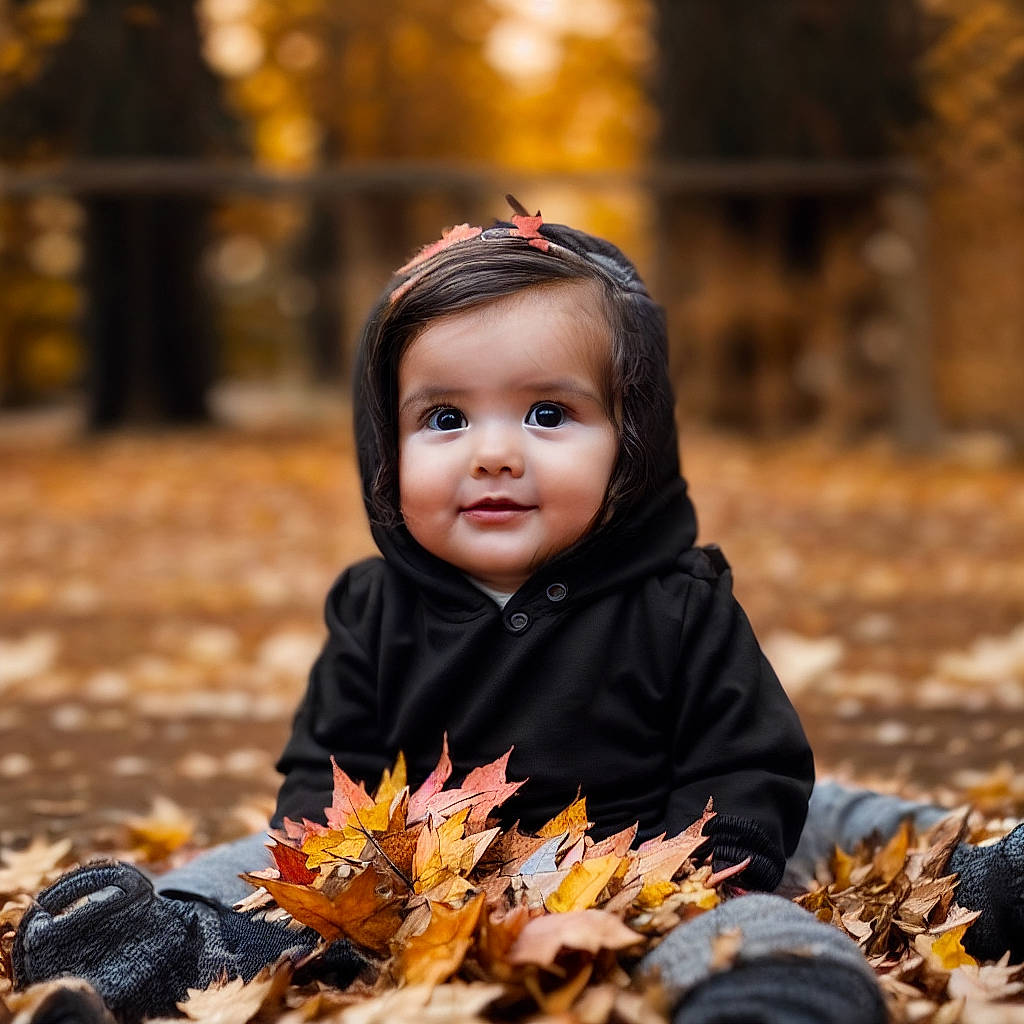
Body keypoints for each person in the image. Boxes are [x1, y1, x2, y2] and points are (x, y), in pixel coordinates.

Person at [13, 205, 1024, 1023]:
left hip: (648, 854)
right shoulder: (374, 606)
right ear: (385, 447)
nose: (494, 453)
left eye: (548, 414)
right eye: (444, 419)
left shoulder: (679, 602)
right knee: (250, 867)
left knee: (806, 849)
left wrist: (694, 881)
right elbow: (323, 769)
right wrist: (325, 872)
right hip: (425, 876)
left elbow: (747, 764)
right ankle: (157, 945)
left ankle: (942, 899)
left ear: (631, 442)